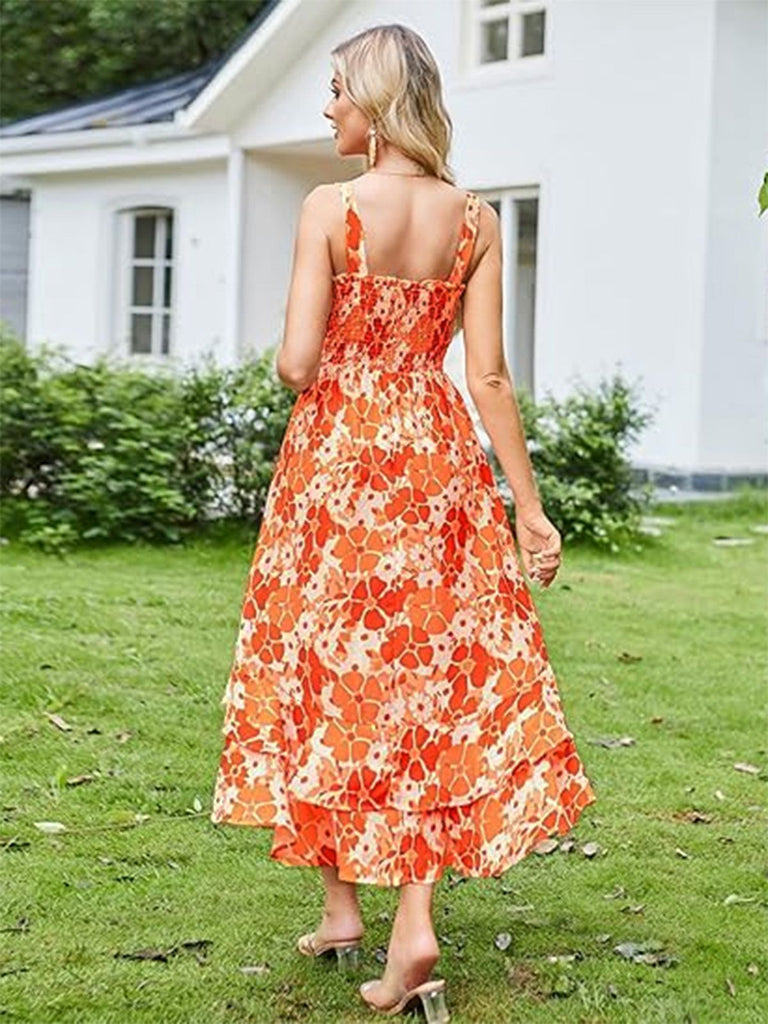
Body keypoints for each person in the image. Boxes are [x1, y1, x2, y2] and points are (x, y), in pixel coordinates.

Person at [210, 22, 596, 1021]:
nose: (328, 107)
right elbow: (492, 375)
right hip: (437, 463)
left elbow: (297, 363)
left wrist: (328, 337)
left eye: (338, 91)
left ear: (376, 107)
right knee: (424, 681)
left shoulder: (329, 209)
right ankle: (375, 917)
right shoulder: (473, 219)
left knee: (321, 667)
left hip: (338, 469)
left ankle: (383, 922)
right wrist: (531, 508)